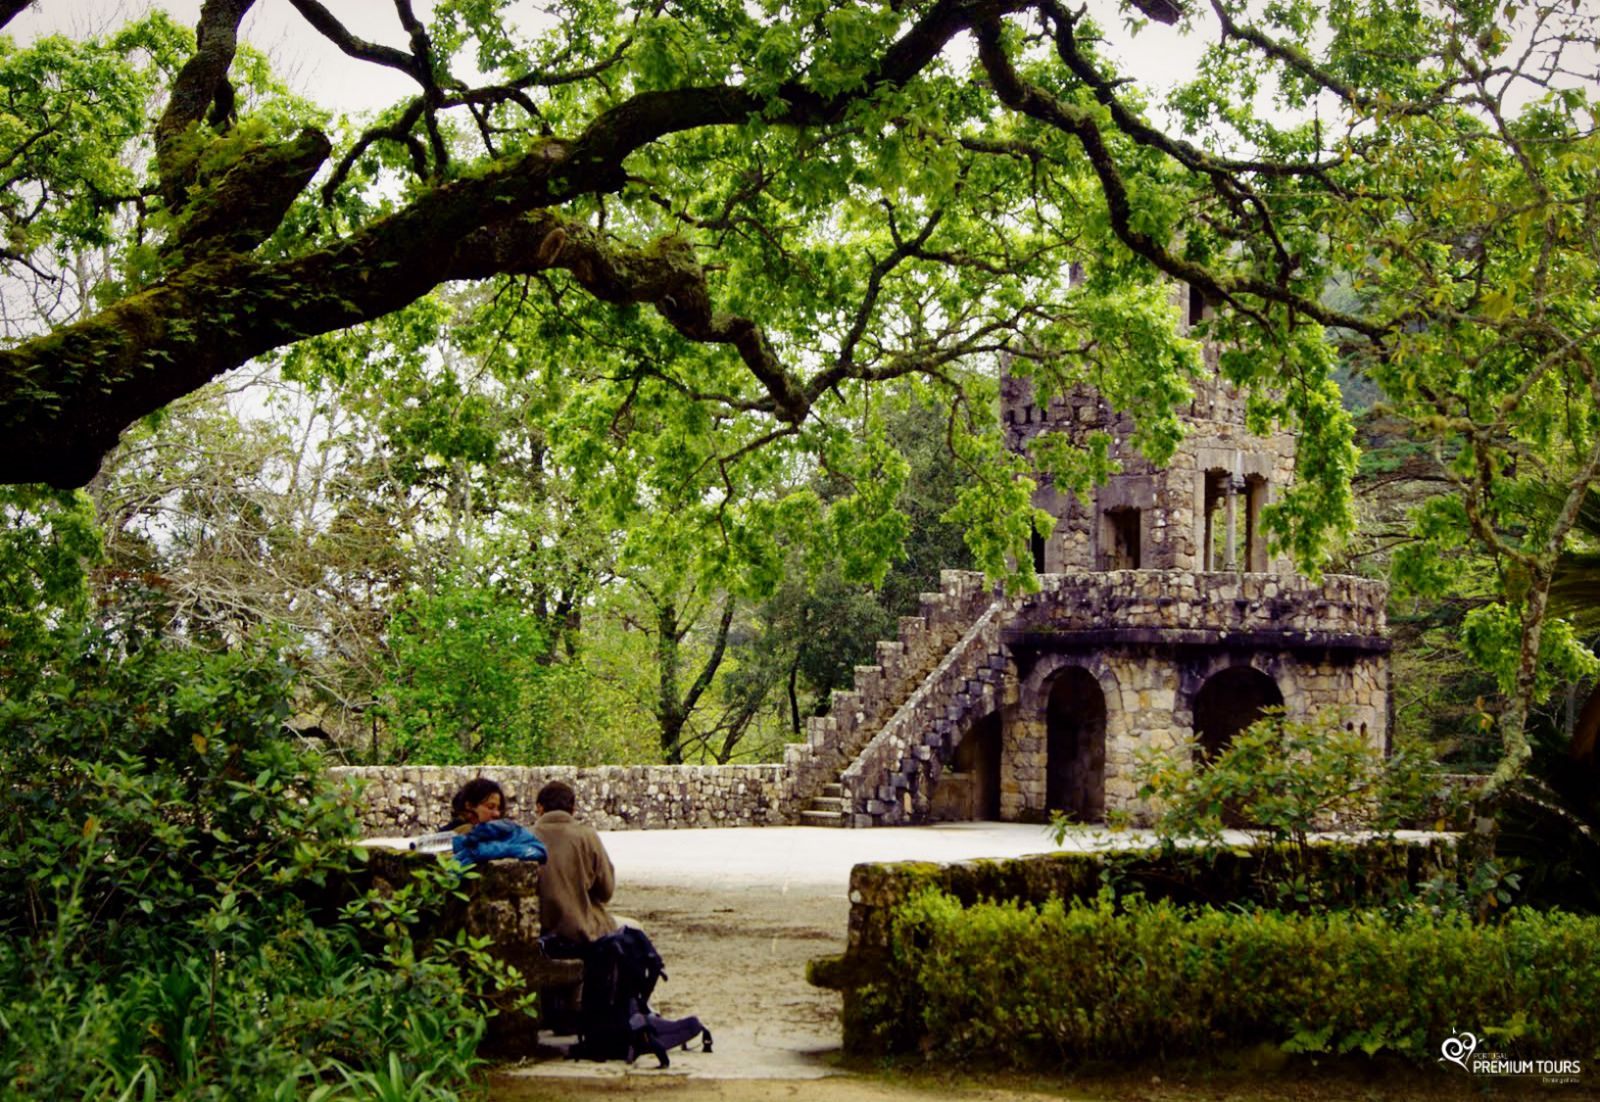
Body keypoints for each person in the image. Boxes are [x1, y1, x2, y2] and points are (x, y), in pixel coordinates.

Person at [531, 779, 619, 942]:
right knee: (631, 929)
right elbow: (606, 891)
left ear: (539, 808)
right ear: (572, 809)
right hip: (581, 931)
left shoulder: (527, 837)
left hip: (541, 932)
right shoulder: (587, 836)